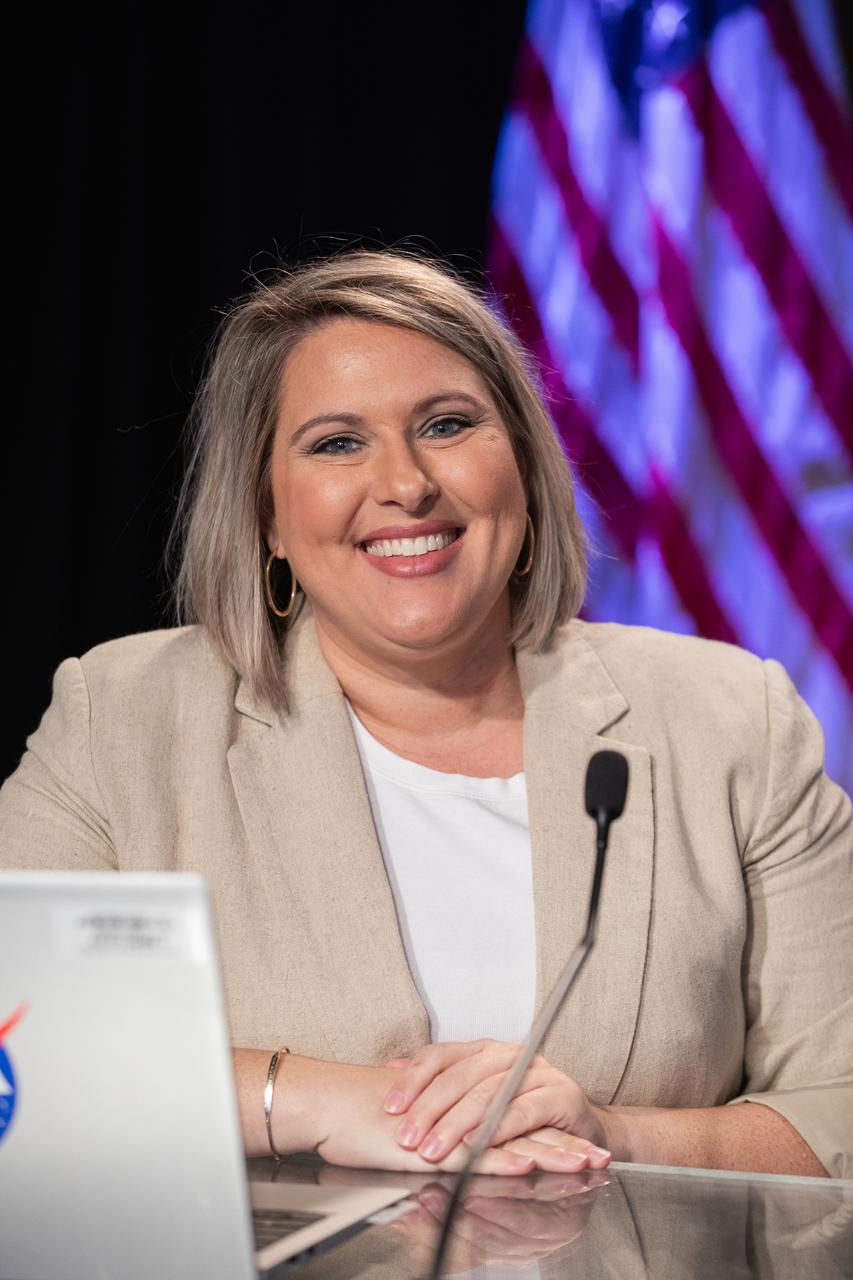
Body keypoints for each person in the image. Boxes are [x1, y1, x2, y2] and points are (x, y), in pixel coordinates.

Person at [1, 251, 850, 1181]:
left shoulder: (731, 721)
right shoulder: (123, 719)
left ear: (523, 468)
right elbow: (22, 1049)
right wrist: (313, 1102)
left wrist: (614, 1134)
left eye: (446, 425)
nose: (405, 483)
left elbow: (838, 1104)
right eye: (336, 443)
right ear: (266, 515)